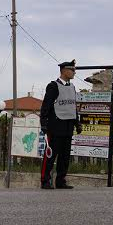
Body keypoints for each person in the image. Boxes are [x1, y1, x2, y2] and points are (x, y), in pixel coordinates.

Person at [40, 59, 82, 189]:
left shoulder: (72, 87)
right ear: (64, 71)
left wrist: (77, 123)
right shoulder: (53, 86)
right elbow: (45, 106)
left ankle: (60, 181)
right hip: (56, 126)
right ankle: (45, 181)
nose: (74, 73)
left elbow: (72, 107)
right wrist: (44, 124)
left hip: (68, 126)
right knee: (51, 155)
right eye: (72, 70)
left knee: (65, 156)